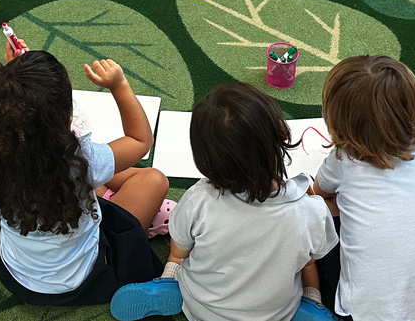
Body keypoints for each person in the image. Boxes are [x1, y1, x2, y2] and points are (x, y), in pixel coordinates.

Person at [0, 42, 168, 305]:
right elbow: (140, 140)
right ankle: (103, 195)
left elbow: (18, 118)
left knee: (86, 177)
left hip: (18, 278)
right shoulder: (83, 159)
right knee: (153, 180)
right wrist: (119, 85)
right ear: (66, 121)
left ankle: (99, 191)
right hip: (85, 279)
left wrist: (14, 78)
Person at [110, 83, 339, 321]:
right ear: (282, 132)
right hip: (276, 314)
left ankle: (169, 279)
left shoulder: (199, 199)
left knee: (179, 252)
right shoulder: (311, 210)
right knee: (307, 262)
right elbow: (312, 257)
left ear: (204, 158)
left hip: (201, 305)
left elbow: (181, 246)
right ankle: (312, 302)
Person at [311, 56, 415, 321]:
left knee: (321, 207)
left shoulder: (343, 158)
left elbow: (320, 193)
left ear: (336, 118)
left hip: (364, 314)